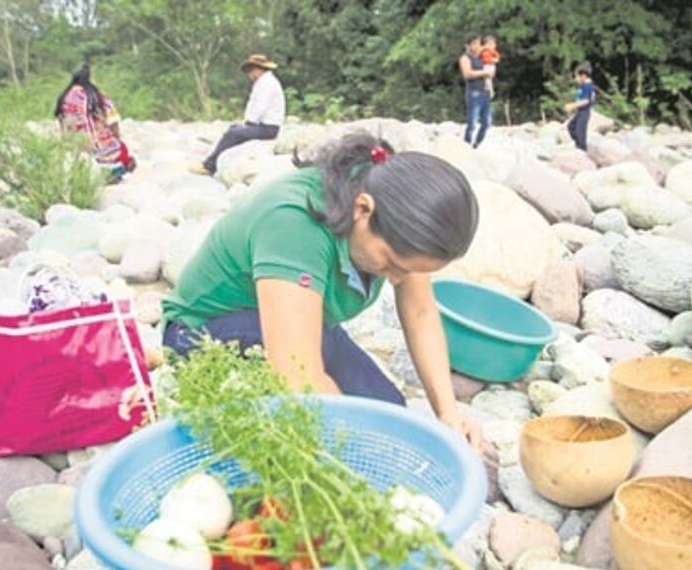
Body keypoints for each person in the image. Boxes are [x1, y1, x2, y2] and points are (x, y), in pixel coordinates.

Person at [163, 131, 484, 451]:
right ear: (362, 209)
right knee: (358, 440)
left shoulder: (396, 210)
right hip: (203, 333)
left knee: (391, 413)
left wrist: (448, 414)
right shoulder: (294, 224)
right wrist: (357, 450)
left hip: (299, 325)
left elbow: (420, 312)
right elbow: (298, 381)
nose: (399, 280)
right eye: (392, 263)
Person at [190, 54, 286, 176]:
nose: (249, 74)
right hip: (264, 126)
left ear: (258, 69)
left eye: (250, 71)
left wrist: (248, 124)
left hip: (268, 128)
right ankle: (217, 162)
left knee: (234, 133)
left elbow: (259, 108)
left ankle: (209, 166)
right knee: (234, 129)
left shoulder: (266, 84)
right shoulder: (265, 82)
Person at [55, 65, 135, 181]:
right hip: (96, 147)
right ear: (89, 79)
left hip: (74, 146)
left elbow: (62, 126)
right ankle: (111, 173)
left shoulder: (64, 97)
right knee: (122, 150)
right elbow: (113, 121)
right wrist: (117, 139)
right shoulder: (96, 96)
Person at [459, 34, 494, 148]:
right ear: (468, 45)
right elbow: (467, 74)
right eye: (474, 44)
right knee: (472, 123)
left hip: (485, 92)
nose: (477, 46)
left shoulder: (481, 57)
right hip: (474, 93)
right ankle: (466, 144)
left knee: (487, 123)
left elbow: (490, 72)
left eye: (478, 43)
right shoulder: (465, 58)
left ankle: (477, 144)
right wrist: (484, 73)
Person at [565, 63, 595, 151]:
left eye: (577, 76)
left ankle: (582, 148)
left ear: (584, 76)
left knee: (580, 131)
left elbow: (586, 101)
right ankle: (578, 145)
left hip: (584, 112)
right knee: (571, 127)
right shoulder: (582, 86)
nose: (576, 79)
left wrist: (572, 105)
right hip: (579, 111)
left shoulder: (588, 86)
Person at [480, 34, 501, 99]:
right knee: (487, 78)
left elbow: (497, 56)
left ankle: (489, 90)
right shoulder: (483, 51)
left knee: (488, 78)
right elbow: (481, 57)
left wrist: (495, 59)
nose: (491, 46)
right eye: (489, 44)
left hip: (491, 65)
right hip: (486, 65)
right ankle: (489, 90)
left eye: (492, 44)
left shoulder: (493, 51)